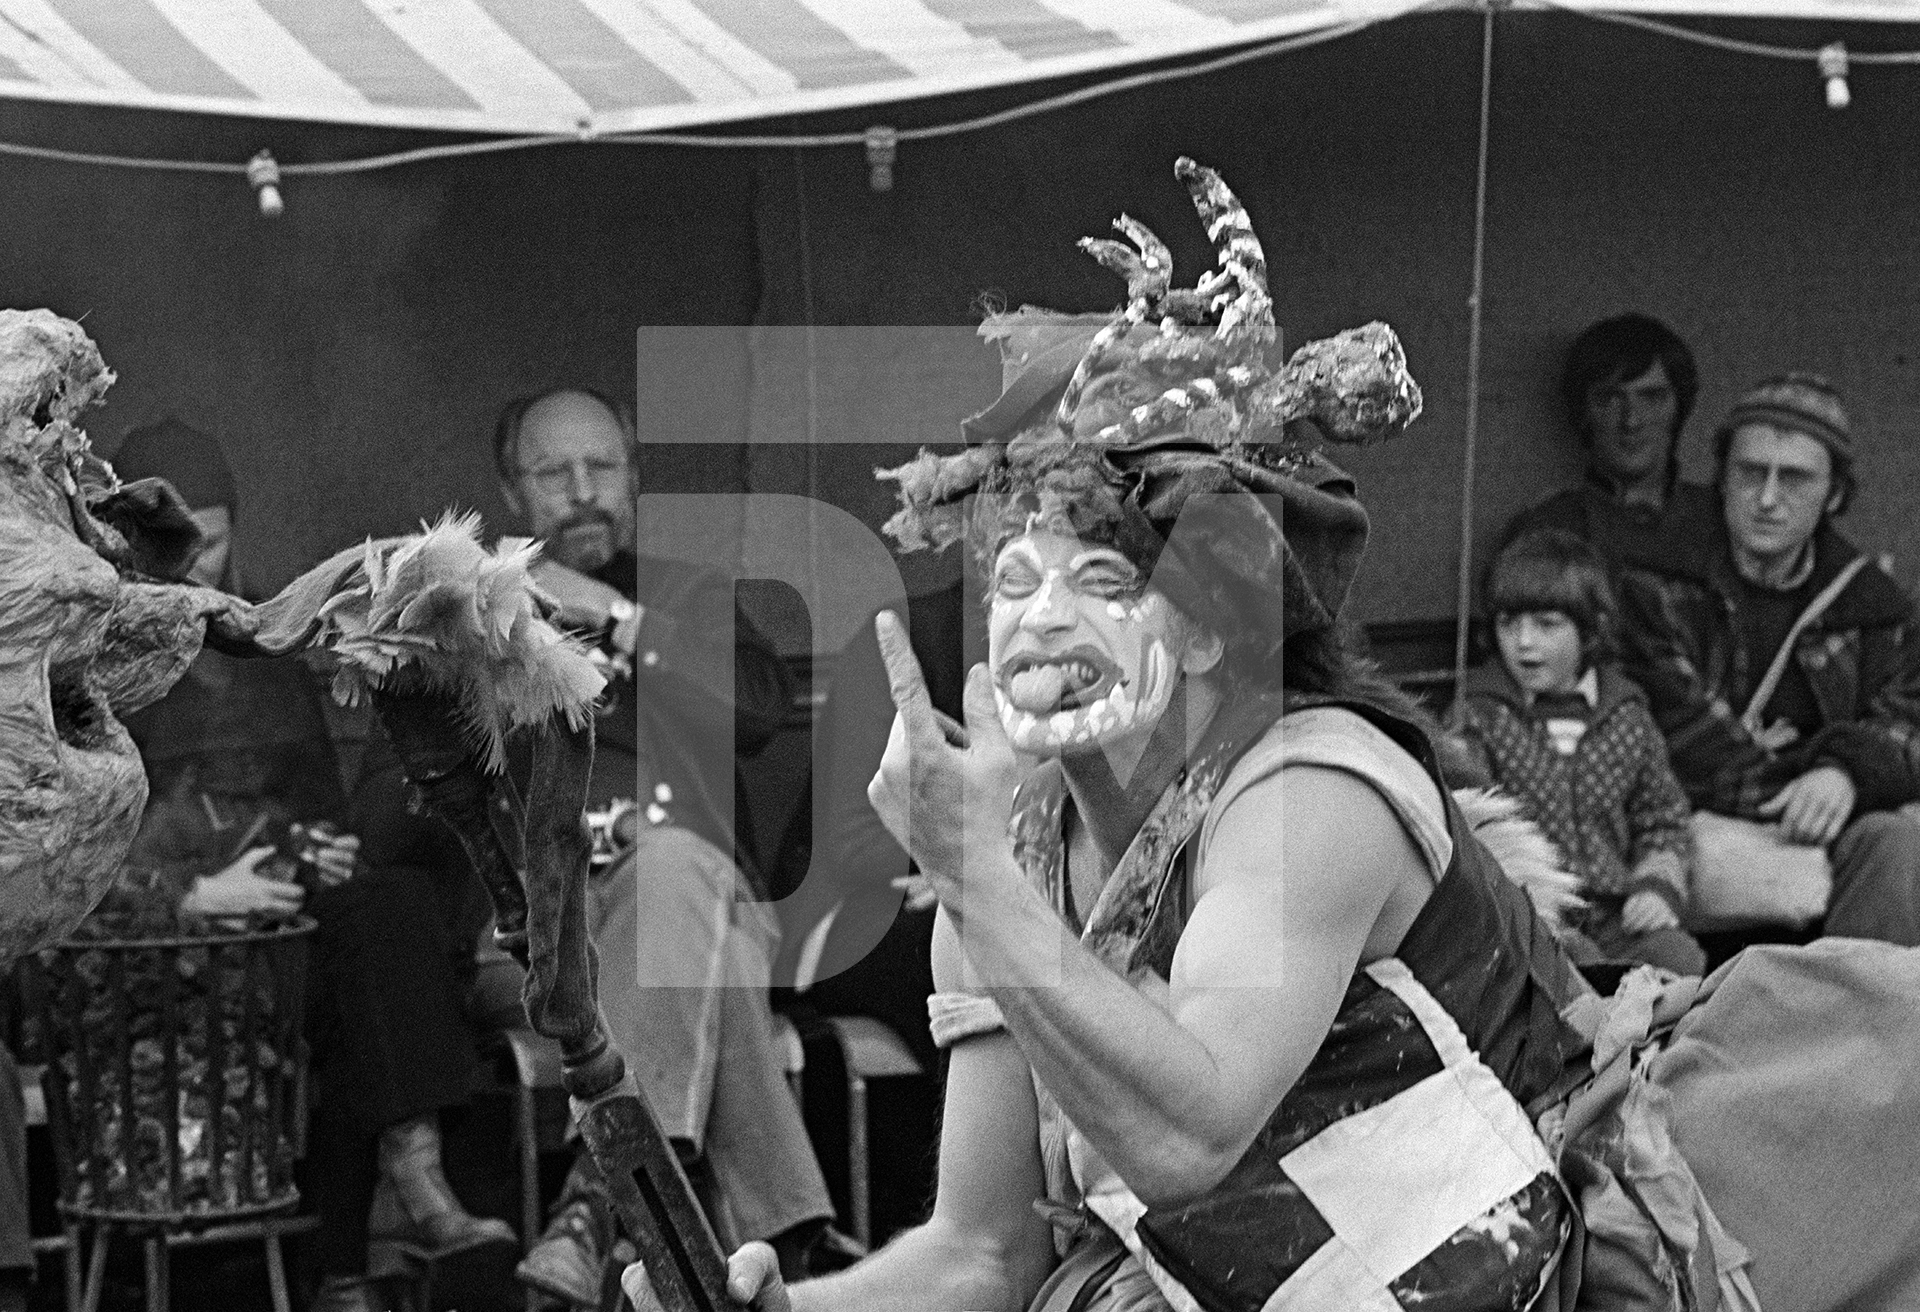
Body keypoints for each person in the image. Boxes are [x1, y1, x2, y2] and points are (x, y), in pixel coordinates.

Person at [627, 161, 1597, 1312]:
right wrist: (783, 1310)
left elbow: (1192, 1140)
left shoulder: (1306, 791)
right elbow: (983, 1254)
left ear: (1203, 629)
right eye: (1016, 578)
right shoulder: (1018, 854)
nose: (1039, 618)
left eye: (1099, 577)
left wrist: (974, 875)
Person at [102, 420, 516, 1312]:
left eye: (213, 541)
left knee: (386, 901)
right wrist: (192, 893)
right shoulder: (88, 676)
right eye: (175, 546)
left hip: (279, 934)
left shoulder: (265, 662)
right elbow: (60, 864)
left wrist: (318, 849)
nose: (199, 567)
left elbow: (314, 812)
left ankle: (389, 1214)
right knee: (369, 943)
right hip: (147, 960)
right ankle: (376, 1234)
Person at [496, 389, 832, 1306]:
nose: (582, 491)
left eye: (602, 467)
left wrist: (618, 619)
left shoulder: (686, 597)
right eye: (553, 472)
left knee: (678, 874)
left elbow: (763, 708)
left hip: (694, 900)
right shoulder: (472, 620)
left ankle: (596, 1206)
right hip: (541, 938)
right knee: (700, 961)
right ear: (511, 490)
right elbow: (391, 816)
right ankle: (787, 1243)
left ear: (635, 478)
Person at [1620, 375, 1920, 946]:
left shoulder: (1872, 605)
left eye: (1796, 478)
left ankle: (1868, 1023)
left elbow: (1909, 723)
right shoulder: (1654, 583)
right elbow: (1679, 742)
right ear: (1722, 476)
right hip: (1682, 832)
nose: (1766, 498)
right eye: (1750, 472)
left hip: (1822, 833)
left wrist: (1847, 773)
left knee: (1896, 843)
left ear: (1835, 495)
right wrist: (1812, 775)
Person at [1454, 530, 1705, 975]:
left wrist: (1655, 887)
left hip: (1614, 909)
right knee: (1579, 972)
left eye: (1546, 624)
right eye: (1509, 624)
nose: (1524, 642)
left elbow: (1662, 816)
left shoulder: (1626, 715)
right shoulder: (1481, 717)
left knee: (1677, 958)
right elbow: (1472, 822)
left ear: (1591, 630)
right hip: (1531, 917)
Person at [1501, 313, 1721, 585]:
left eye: (1651, 397)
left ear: (1679, 409)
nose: (1631, 420)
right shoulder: (1548, 529)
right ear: (1584, 412)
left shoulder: (1724, 520)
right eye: (1609, 399)